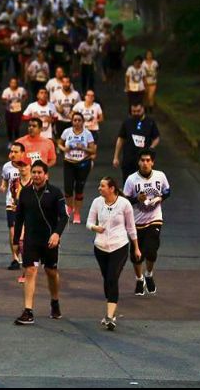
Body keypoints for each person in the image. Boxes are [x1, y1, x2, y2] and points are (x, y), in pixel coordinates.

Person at [13, 161, 68, 325]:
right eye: (34, 172)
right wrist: (16, 240)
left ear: (46, 175)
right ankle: (28, 311)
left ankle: (55, 301)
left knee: (51, 272)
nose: (36, 175)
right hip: (31, 239)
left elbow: (64, 217)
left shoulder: (56, 193)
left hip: (50, 240)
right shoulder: (25, 193)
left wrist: (57, 234)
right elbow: (19, 217)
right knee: (30, 271)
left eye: (39, 172)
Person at [87, 177, 141, 331]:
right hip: (100, 247)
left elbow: (131, 228)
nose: (99, 188)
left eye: (102, 186)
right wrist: (95, 228)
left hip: (120, 246)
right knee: (107, 279)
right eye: (100, 185)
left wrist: (136, 247)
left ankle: (110, 317)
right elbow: (89, 222)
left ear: (112, 189)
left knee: (112, 277)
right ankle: (110, 306)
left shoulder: (124, 204)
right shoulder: (97, 202)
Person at [123, 148, 170, 296]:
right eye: (142, 160)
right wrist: (137, 199)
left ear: (152, 162)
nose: (145, 163)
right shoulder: (131, 180)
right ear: (138, 162)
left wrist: (160, 198)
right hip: (136, 221)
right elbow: (125, 200)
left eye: (148, 160)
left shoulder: (160, 176)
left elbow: (168, 191)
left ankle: (149, 274)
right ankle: (139, 278)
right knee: (137, 255)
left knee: (151, 250)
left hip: (154, 219)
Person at [58, 112, 97, 224]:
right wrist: (64, 149)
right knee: (68, 188)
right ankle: (70, 207)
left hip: (83, 163)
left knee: (79, 189)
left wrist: (83, 148)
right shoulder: (67, 132)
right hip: (69, 162)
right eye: (75, 120)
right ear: (72, 121)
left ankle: (77, 213)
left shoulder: (87, 134)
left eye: (79, 120)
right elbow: (59, 143)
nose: (77, 122)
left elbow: (93, 150)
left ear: (83, 122)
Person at [113, 102, 160, 183]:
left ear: (143, 109)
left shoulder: (150, 122)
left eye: (138, 111)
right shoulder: (127, 122)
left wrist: (151, 148)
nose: (136, 113)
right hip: (129, 158)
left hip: (143, 159)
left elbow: (156, 138)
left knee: (144, 182)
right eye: (133, 111)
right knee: (128, 182)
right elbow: (120, 139)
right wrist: (116, 157)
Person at [0, 143, 29, 271]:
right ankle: (15, 259)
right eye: (11, 151)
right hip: (11, 203)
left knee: (24, 233)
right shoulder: (7, 166)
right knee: (13, 232)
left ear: (23, 153)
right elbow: (5, 179)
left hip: (28, 204)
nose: (12, 154)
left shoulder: (29, 165)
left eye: (16, 152)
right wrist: (3, 186)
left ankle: (27, 257)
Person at [1, 77, 28, 142]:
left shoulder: (21, 90)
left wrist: (22, 101)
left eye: (15, 83)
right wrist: (7, 101)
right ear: (9, 83)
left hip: (18, 110)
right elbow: (2, 100)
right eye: (12, 83)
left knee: (16, 126)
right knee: (9, 126)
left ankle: (17, 140)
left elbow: (25, 95)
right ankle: (10, 140)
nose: (13, 84)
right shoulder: (6, 91)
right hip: (9, 110)